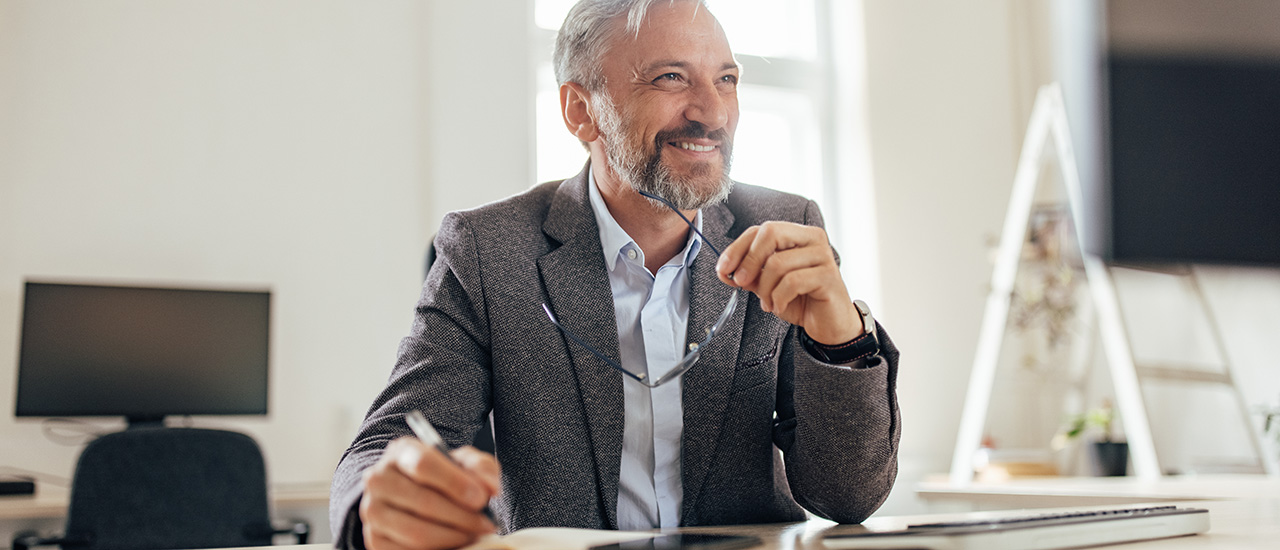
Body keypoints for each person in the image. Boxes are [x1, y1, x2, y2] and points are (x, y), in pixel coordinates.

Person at [330, 1, 901, 549]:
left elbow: (848, 497)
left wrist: (842, 337)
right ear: (581, 111)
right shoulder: (487, 249)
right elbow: (387, 443)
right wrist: (380, 503)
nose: (712, 112)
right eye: (672, 78)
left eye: (727, 79)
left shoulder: (786, 229)